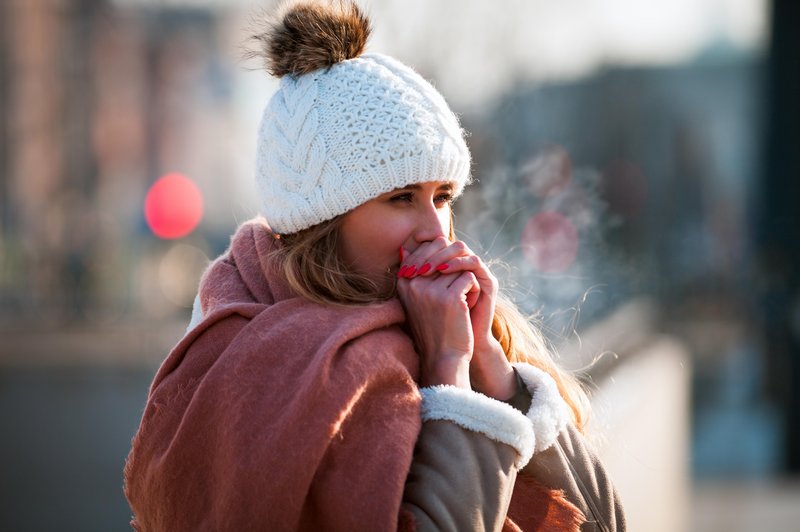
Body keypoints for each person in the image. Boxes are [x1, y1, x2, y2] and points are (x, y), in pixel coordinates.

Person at [124, 1, 626, 530]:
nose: (435, 229)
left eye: (443, 196)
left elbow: (605, 522)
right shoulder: (256, 357)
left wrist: (495, 374)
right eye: (402, 197)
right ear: (324, 223)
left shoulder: (462, 329)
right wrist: (448, 379)